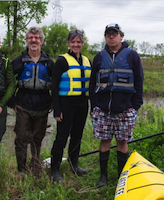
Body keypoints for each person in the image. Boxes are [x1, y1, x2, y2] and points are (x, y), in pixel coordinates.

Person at [89, 23, 144, 187]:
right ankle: (103, 176)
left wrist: (135, 106)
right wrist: (94, 105)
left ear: (121, 36)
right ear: (105, 37)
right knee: (104, 141)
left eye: (114, 33)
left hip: (125, 110)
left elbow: (139, 81)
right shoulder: (99, 57)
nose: (111, 36)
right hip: (103, 110)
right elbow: (93, 83)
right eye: (108, 34)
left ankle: (121, 177)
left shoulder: (132, 56)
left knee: (122, 143)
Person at [11, 27, 54, 176]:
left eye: (36, 38)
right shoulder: (18, 61)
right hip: (23, 104)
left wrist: (54, 102)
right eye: (30, 37)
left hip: (43, 105)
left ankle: (35, 168)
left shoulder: (49, 62)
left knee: (38, 138)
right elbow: (9, 82)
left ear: (41, 41)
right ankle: (21, 170)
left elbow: (55, 84)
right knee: (22, 138)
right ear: (27, 40)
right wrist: (12, 102)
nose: (33, 40)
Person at [50, 29, 91, 183]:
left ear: (82, 43)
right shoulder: (62, 61)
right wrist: (57, 109)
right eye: (73, 41)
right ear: (68, 43)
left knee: (77, 136)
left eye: (79, 42)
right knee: (61, 137)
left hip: (82, 104)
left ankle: (74, 165)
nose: (76, 44)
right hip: (66, 104)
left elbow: (91, 86)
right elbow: (54, 86)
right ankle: (55, 170)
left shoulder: (87, 61)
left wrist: (92, 106)